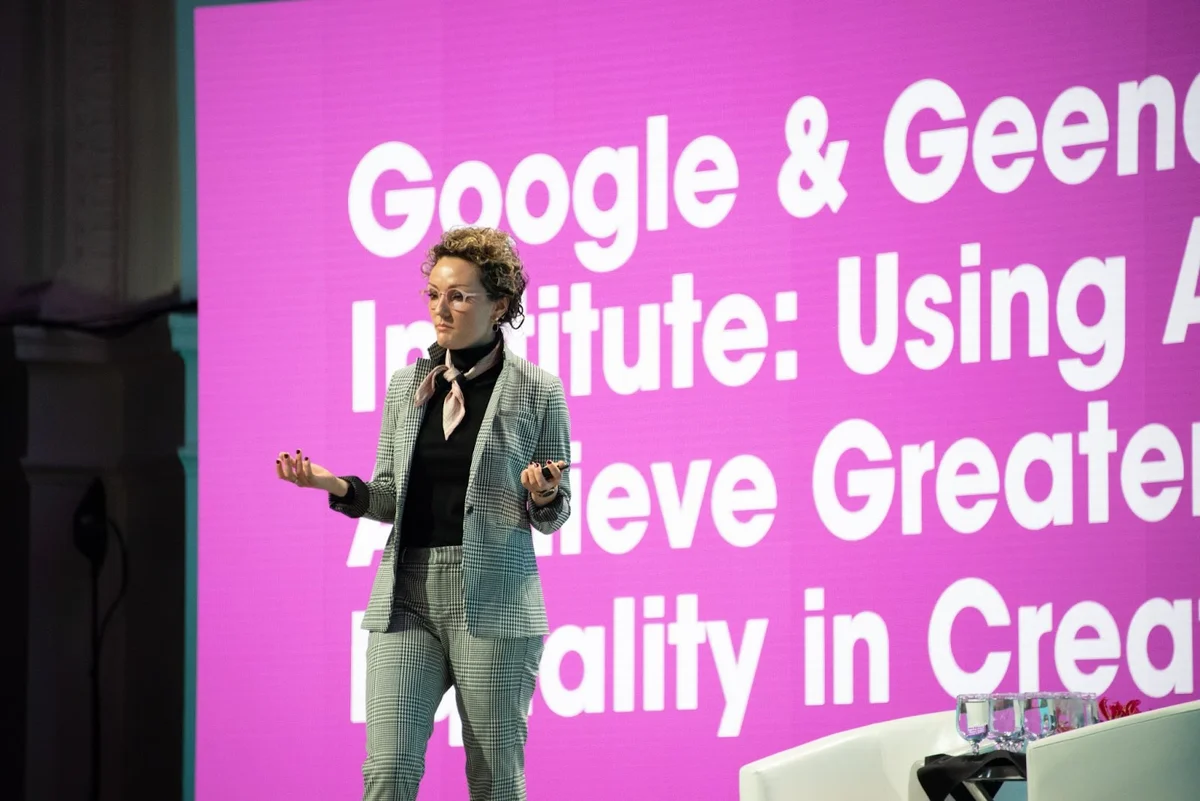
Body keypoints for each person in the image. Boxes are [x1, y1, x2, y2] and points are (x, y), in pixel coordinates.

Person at [274, 226, 571, 801]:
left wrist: (542, 494)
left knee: (494, 784)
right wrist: (332, 483)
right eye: (434, 294)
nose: (442, 308)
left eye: (459, 295)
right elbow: (389, 494)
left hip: (494, 601)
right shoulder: (408, 385)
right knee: (386, 773)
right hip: (406, 593)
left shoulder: (538, 391)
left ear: (500, 304)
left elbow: (555, 515)